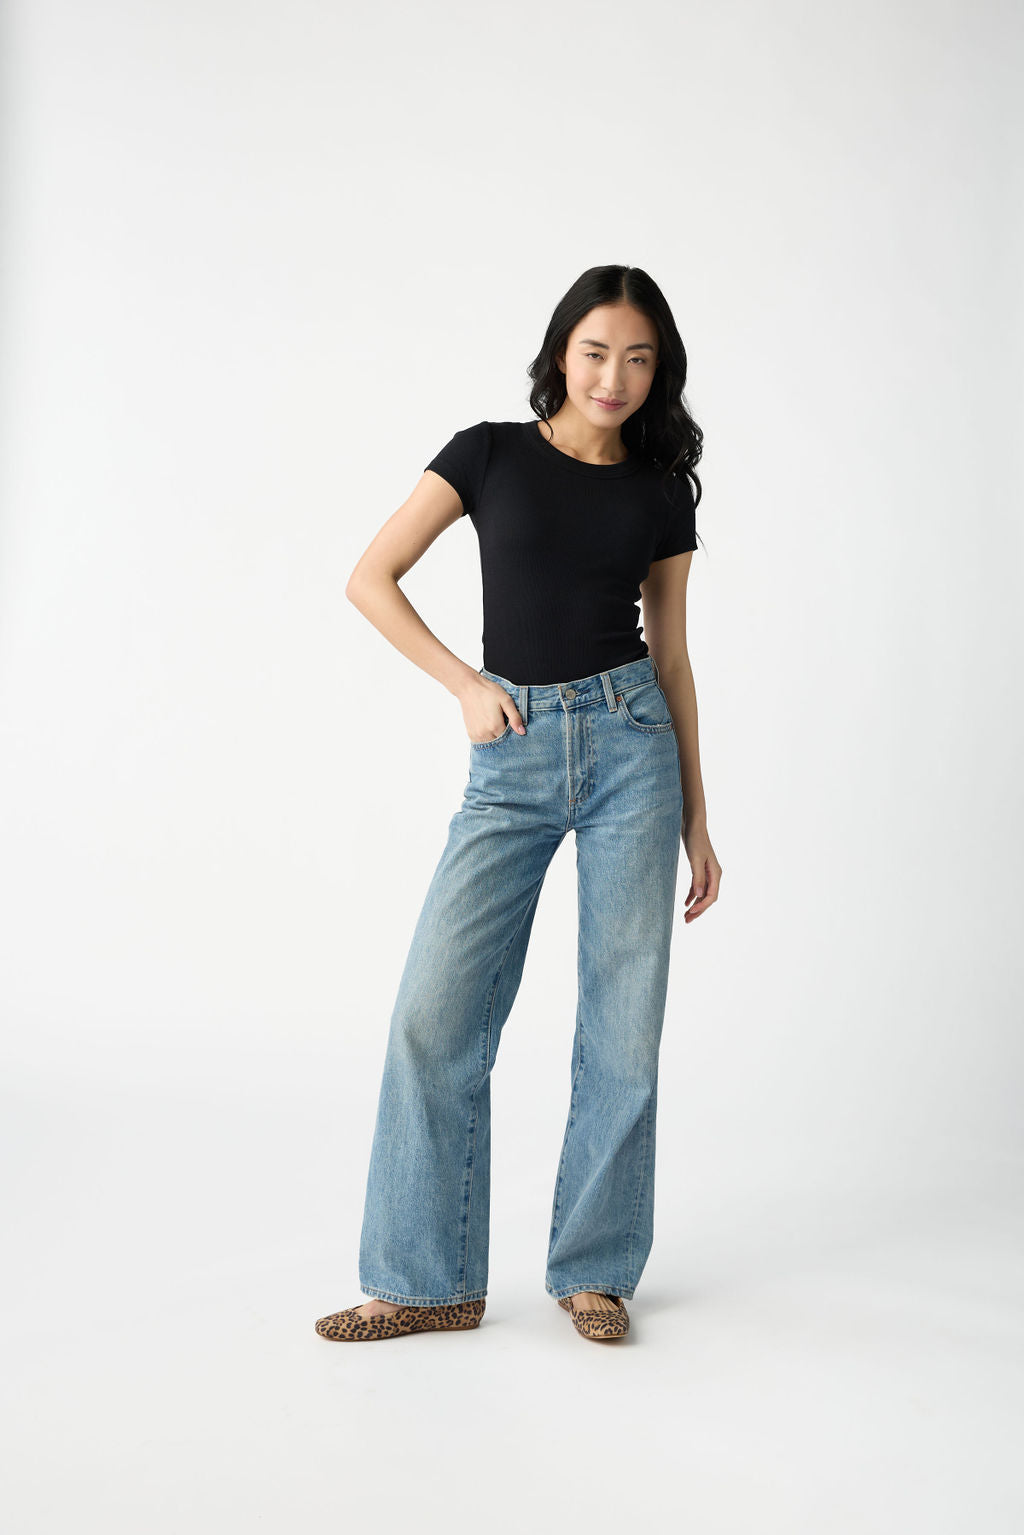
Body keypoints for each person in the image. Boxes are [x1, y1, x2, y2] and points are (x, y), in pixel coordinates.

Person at [315, 264, 722, 1346]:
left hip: (636, 746)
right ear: (559, 352)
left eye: (639, 358)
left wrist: (696, 812)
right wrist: (464, 682)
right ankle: (423, 1277)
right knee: (435, 1013)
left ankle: (594, 1269)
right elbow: (371, 575)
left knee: (621, 1028)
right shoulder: (486, 453)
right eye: (597, 351)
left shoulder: (656, 490)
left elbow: (673, 659)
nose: (615, 375)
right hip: (514, 749)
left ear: (656, 371)